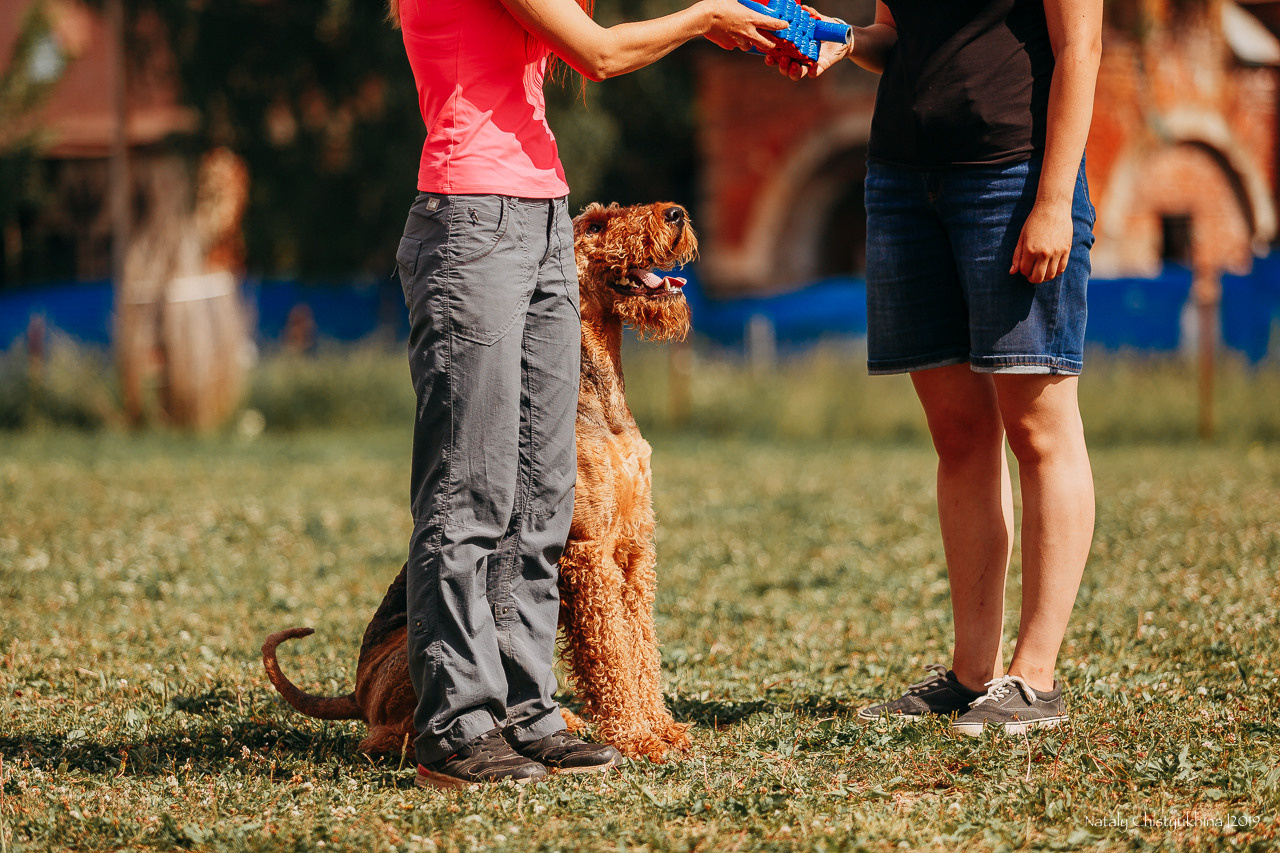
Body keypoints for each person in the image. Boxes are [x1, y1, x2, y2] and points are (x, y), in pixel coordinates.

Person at [388, 0, 787, 788]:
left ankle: (525, 708)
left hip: (542, 213)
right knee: (471, 487)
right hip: (474, 214)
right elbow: (598, 53)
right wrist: (705, 16)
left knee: (541, 492)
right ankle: (457, 724)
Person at [782, 0, 1102, 734]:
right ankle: (970, 675)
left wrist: (1054, 199)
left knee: (1039, 430)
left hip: (1012, 174)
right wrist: (843, 39)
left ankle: (1036, 677)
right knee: (958, 435)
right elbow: (901, 36)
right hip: (902, 180)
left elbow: (1081, 48)